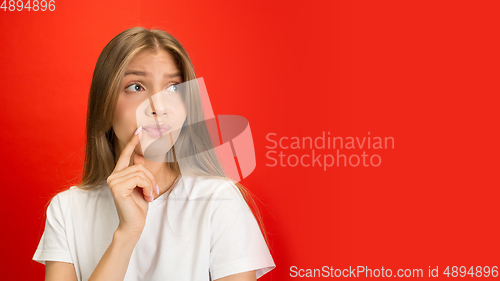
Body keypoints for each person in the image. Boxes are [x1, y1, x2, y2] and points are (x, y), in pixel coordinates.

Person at [32, 26, 275, 281]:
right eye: (136, 87)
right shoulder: (68, 210)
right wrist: (126, 235)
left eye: (173, 88)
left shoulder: (218, 201)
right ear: (104, 104)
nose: (158, 107)